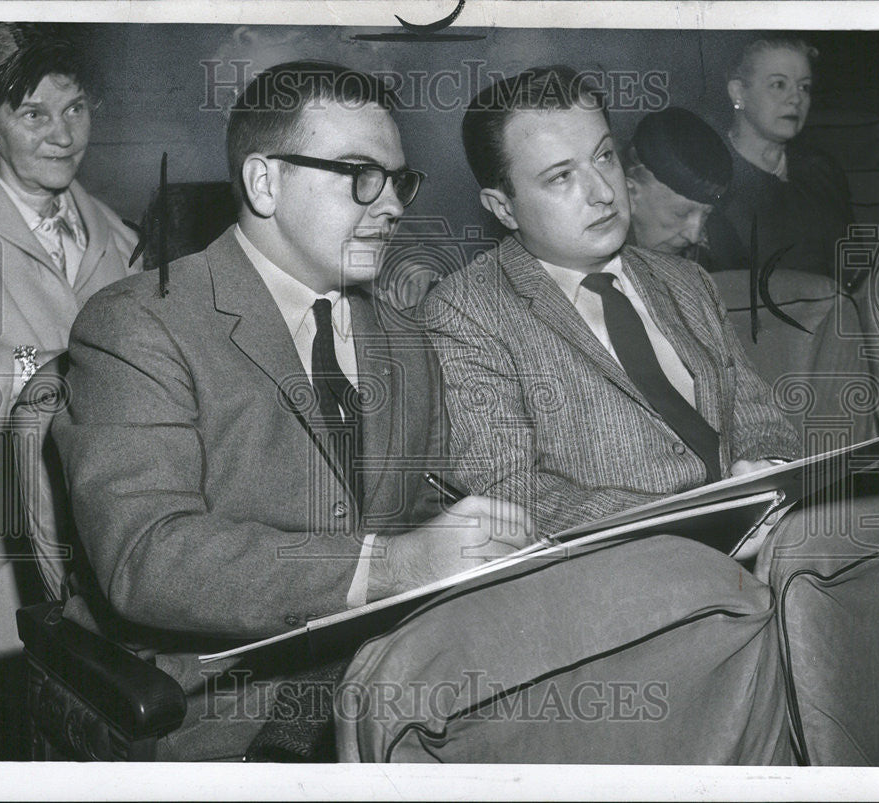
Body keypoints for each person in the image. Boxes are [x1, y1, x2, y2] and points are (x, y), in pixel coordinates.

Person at [51, 61, 529, 761]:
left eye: (399, 179)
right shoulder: (138, 323)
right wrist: (390, 565)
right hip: (221, 708)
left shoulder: (404, 336)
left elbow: (422, 510)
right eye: (359, 173)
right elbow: (148, 555)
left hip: (398, 684)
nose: (392, 204)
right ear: (264, 181)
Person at [333, 66, 803, 765]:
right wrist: (706, 514)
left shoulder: (685, 280)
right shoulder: (465, 311)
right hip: (636, 607)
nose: (602, 190)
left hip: (772, 554)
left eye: (605, 155)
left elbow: (761, 416)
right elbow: (510, 494)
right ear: (501, 205)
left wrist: (769, 467)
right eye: (560, 177)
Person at [0, 22, 139, 758]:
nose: (63, 135)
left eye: (75, 109)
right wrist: (53, 365)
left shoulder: (116, 234)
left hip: (85, 534)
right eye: (34, 114)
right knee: (6, 732)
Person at [624, 106, 879, 444]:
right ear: (630, 193)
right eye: (682, 212)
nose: (694, 232)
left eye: (705, 215)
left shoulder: (717, 245)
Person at [705, 37, 855, 289]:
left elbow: (853, 271)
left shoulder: (823, 170)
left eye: (804, 87)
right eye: (779, 85)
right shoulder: (710, 179)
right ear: (738, 93)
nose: (795, 99)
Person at [624, 106, 732, 260]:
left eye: (706, 214)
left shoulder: (712, 255)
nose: (694, 236)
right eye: (680, 214)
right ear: (629, 196)